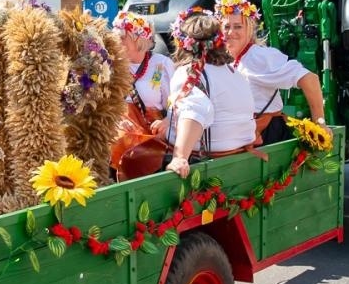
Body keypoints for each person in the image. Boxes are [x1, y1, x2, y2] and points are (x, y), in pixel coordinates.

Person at [216, 0, 327, 145]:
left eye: (238, 26)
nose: (231, 32)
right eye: (226, 27)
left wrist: (320, 123)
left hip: (267, 135)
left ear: (249, 29)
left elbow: (310, 79)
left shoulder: (260, 56)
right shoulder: (229, 60)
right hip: (241, 135)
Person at [164, 10, 258, 178]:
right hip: (243, 159)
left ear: (182, 43)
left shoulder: (191, 73)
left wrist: (180, 157)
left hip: (208, 164)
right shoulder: (234, 73)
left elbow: (194, 110)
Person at [109, 11, 175, 178]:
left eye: (122, 37)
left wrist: (167, 121)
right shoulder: (109, 65)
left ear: (138, 40)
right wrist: (116, 120)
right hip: (120, 132)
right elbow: (104, 103)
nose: (116, 42)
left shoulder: (161, 64)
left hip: (151, 132)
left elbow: (176, 102)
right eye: (115, 37)